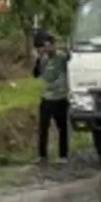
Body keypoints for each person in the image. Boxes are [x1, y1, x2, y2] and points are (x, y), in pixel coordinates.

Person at [31, 29, 70, 163]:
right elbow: (36, 74)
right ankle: (42, 156)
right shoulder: (43, 60)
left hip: (60, 97)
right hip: (46, 97)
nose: (43, 50)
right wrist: (38, 59)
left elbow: (71, 58)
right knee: (43, 128)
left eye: (44, 46)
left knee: (62, 127)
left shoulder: (62, 57)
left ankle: (63, 155)